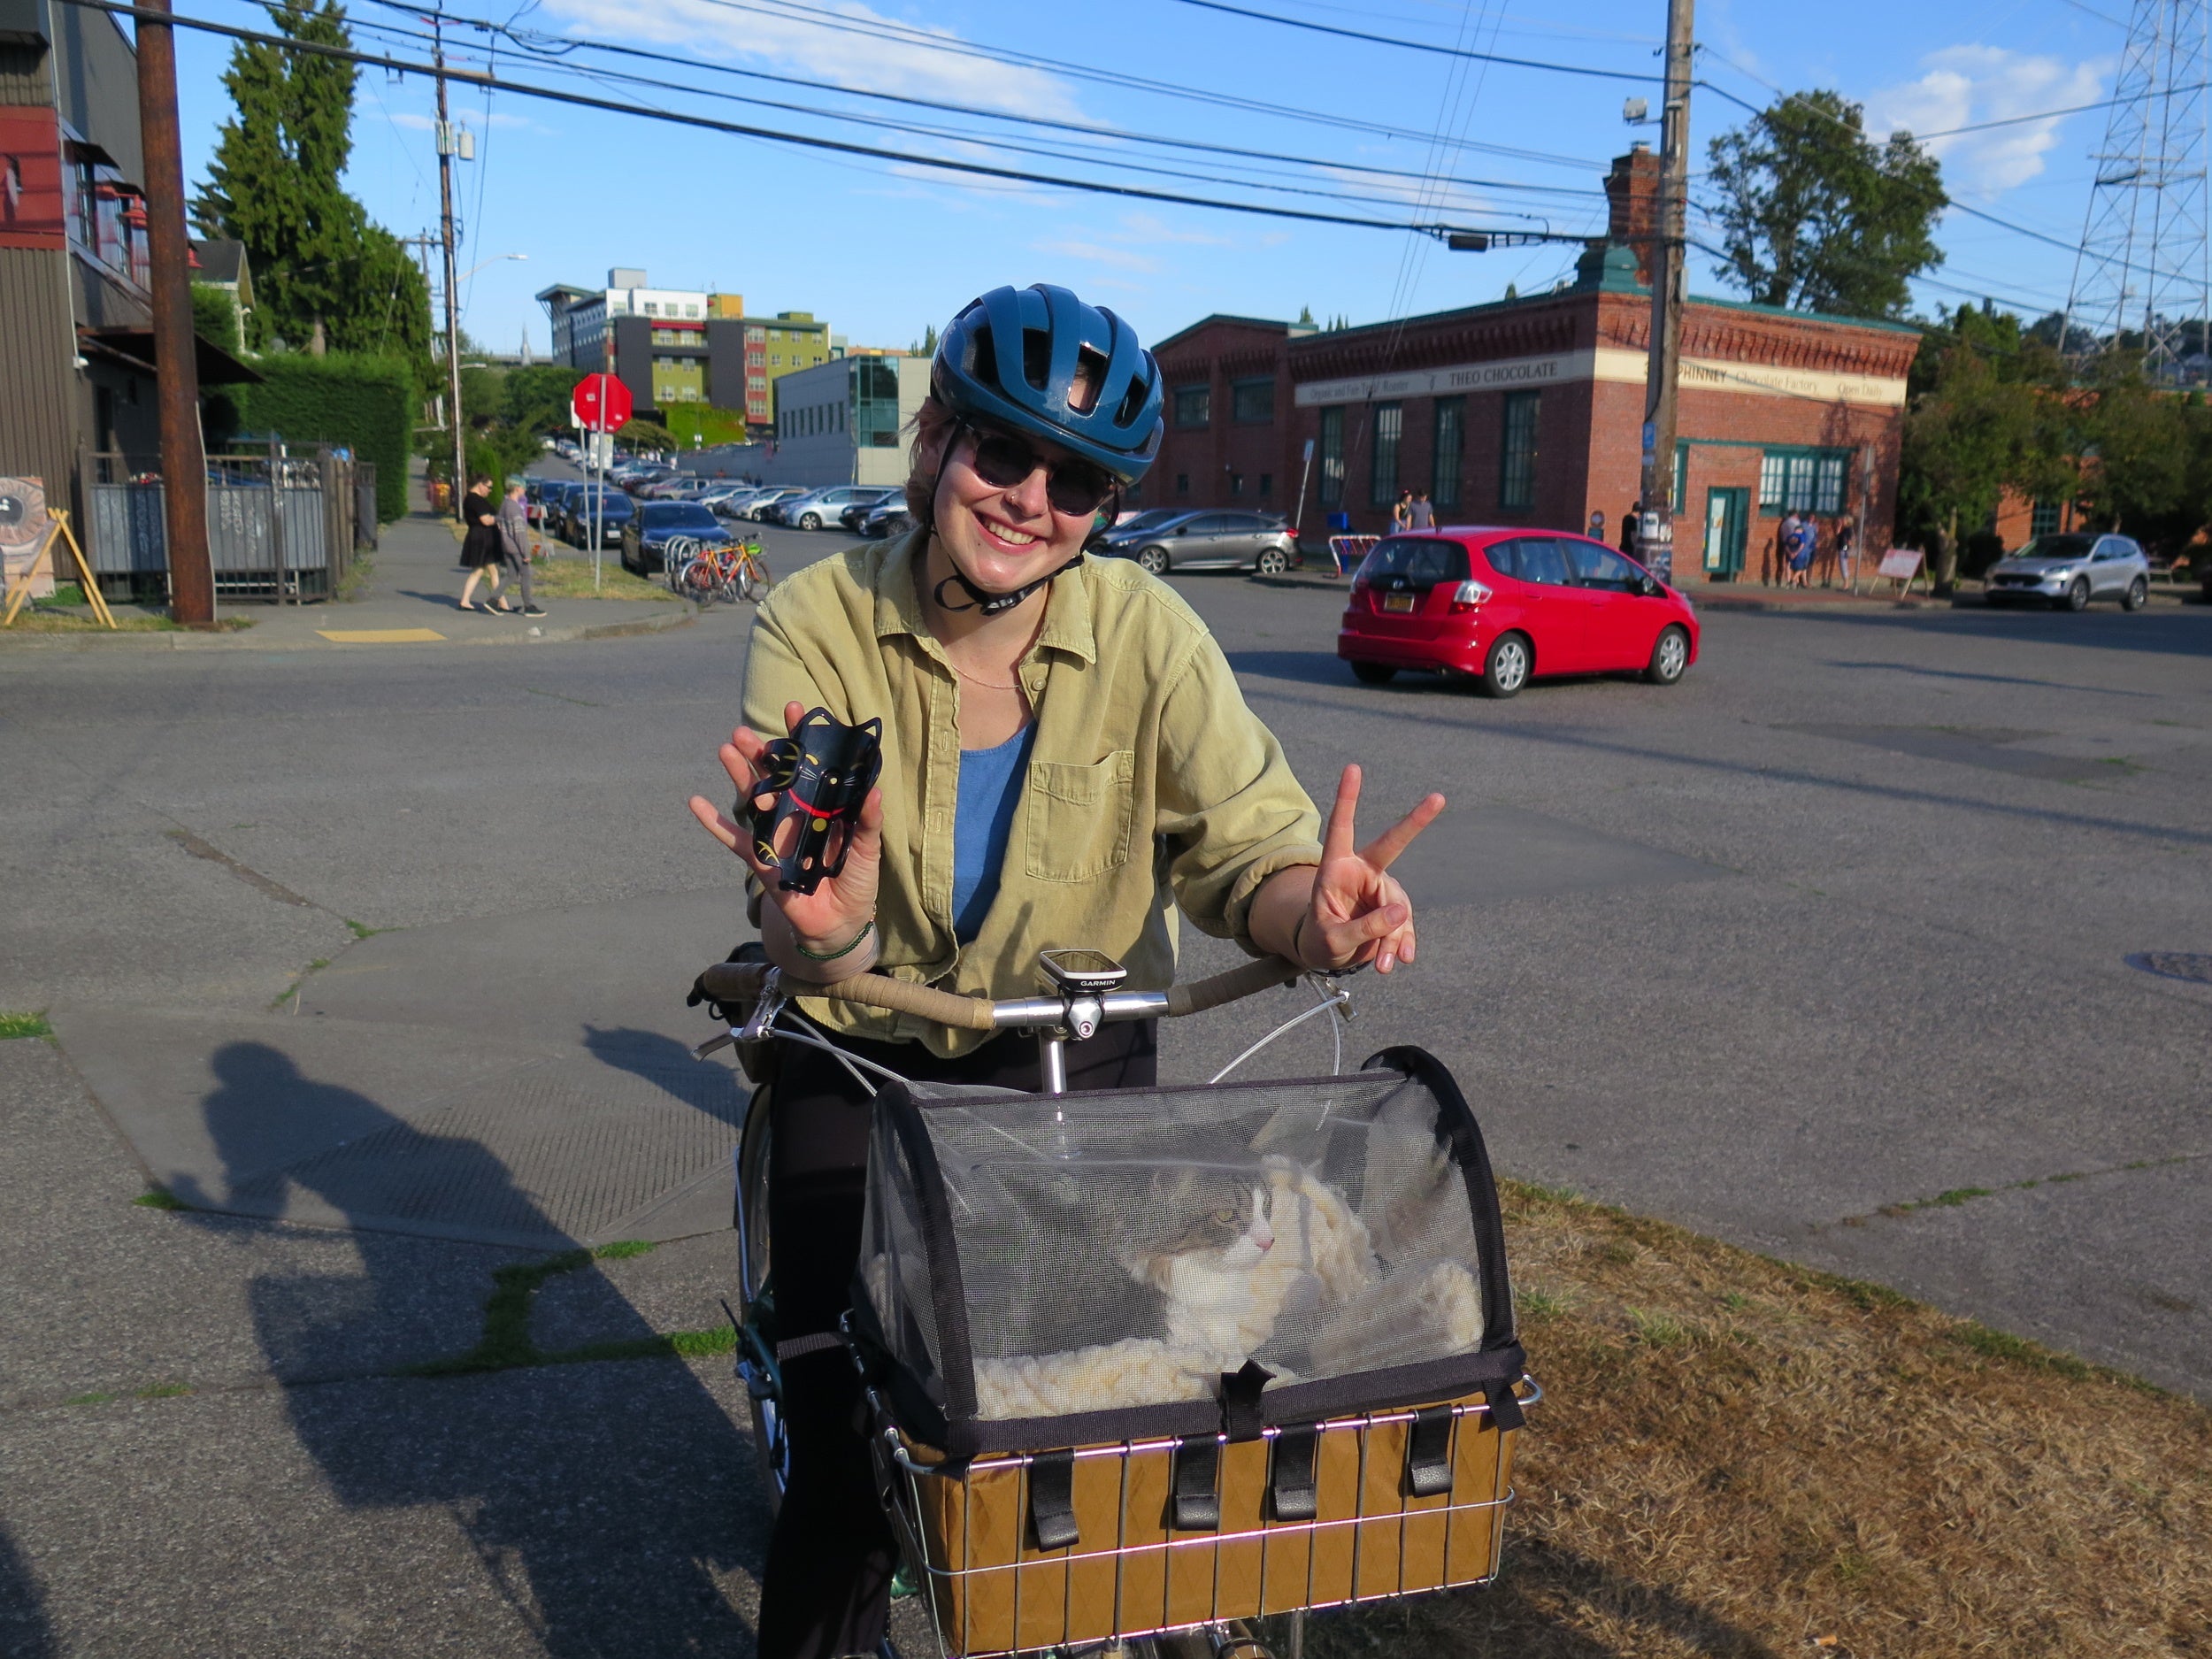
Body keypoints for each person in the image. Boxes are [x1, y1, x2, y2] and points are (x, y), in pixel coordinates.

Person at [687, 284, 1442, 1659]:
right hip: (862, 1038)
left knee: (1095, 1426)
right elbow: (797, 897)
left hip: (1066, 1049)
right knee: (849, 1442)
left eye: (1080, 478)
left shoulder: (1148, 634)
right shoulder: (815, 619)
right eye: (1003, 452)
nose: (1033, 495)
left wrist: (1311, 915)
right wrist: (825, 922)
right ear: (934, 440)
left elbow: (1250, 846)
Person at [494, 480, 546, 617]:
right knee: (526, 574)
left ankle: (493, 600)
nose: (524, 490)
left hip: (506, 545)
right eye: (523, 488)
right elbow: (520, 533)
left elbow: (498, 521)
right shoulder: (515, 508)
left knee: (511, 575)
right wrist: (526, 553)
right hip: (516, 547)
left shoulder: (504, 504)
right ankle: (529, 606)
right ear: (517, 488)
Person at [457, 477, 504, 611]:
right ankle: (500, 602)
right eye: (488, 487)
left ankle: (465, 601)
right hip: (482, 539)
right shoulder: (475, 500)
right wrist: (499, 518)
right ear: (480, 484)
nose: (489, 491)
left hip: (481, 537)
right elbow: (486, 520)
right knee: (490, 572)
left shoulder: (473, 499)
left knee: (479, 571)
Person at [1831, 516, 1855, 588]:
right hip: (1841, 549)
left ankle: (1846, 584)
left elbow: (1849, 541)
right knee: (1842, 566)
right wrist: (1839, 526)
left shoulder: (1849, 529)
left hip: (1843, 549)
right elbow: (1838, 535)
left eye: (1844, 520)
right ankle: (1845, 583)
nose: (1842, 521)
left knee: (1844, 566)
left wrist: (1845, 549)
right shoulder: (1844, 529)